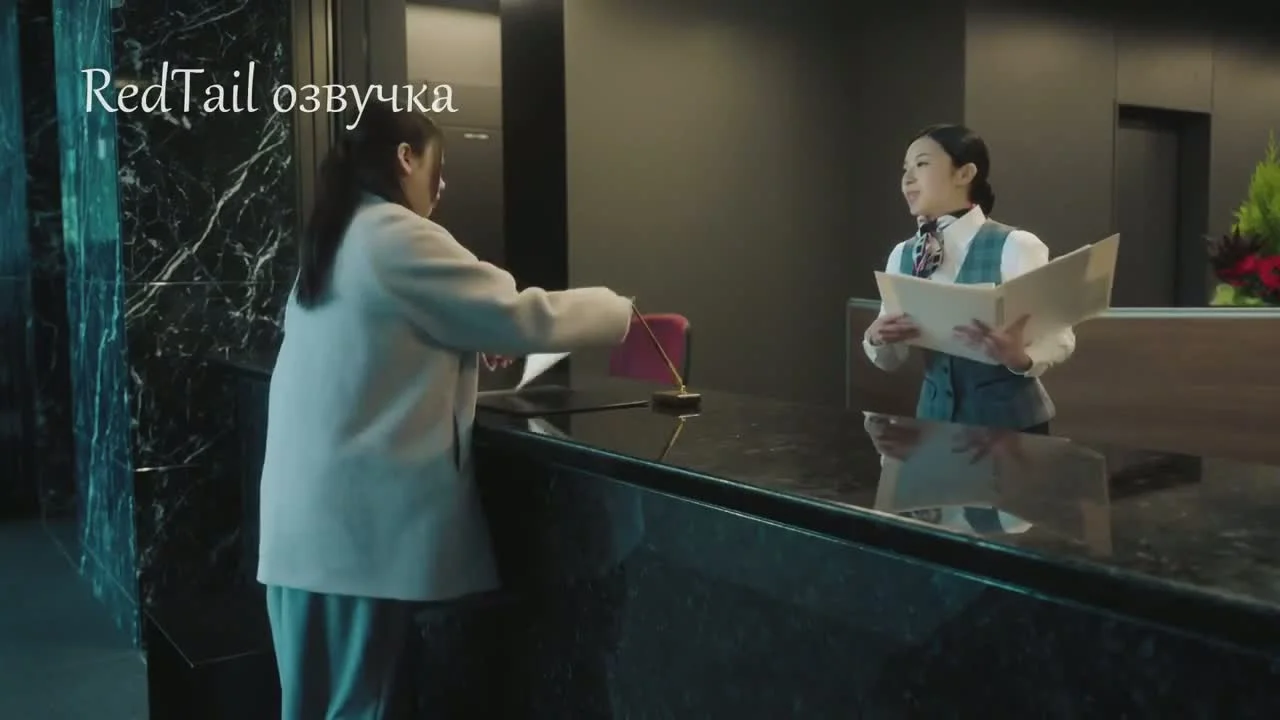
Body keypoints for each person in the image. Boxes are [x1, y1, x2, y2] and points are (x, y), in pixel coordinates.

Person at [257, 100, 634, 719]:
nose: (443, 184)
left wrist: (463, 335)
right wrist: (618, 310)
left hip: (306, 531)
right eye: (438, 164)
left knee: (313, 707)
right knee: (359, 708)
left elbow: (388, 341)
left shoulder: (337, 236)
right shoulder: (396, 235)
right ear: (405, 157)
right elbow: (520, 315)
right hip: (356, 543)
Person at [863, 124, 1075, 434]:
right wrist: (877, 338)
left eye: (922, 164)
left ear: (964, 174)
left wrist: (1020, 358)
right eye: (905, 169)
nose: (907, 178)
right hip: (933, 425)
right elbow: (891, 359)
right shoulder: (902, 254)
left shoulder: (1017, 246)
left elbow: (1060, 336)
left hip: (1012, 431)